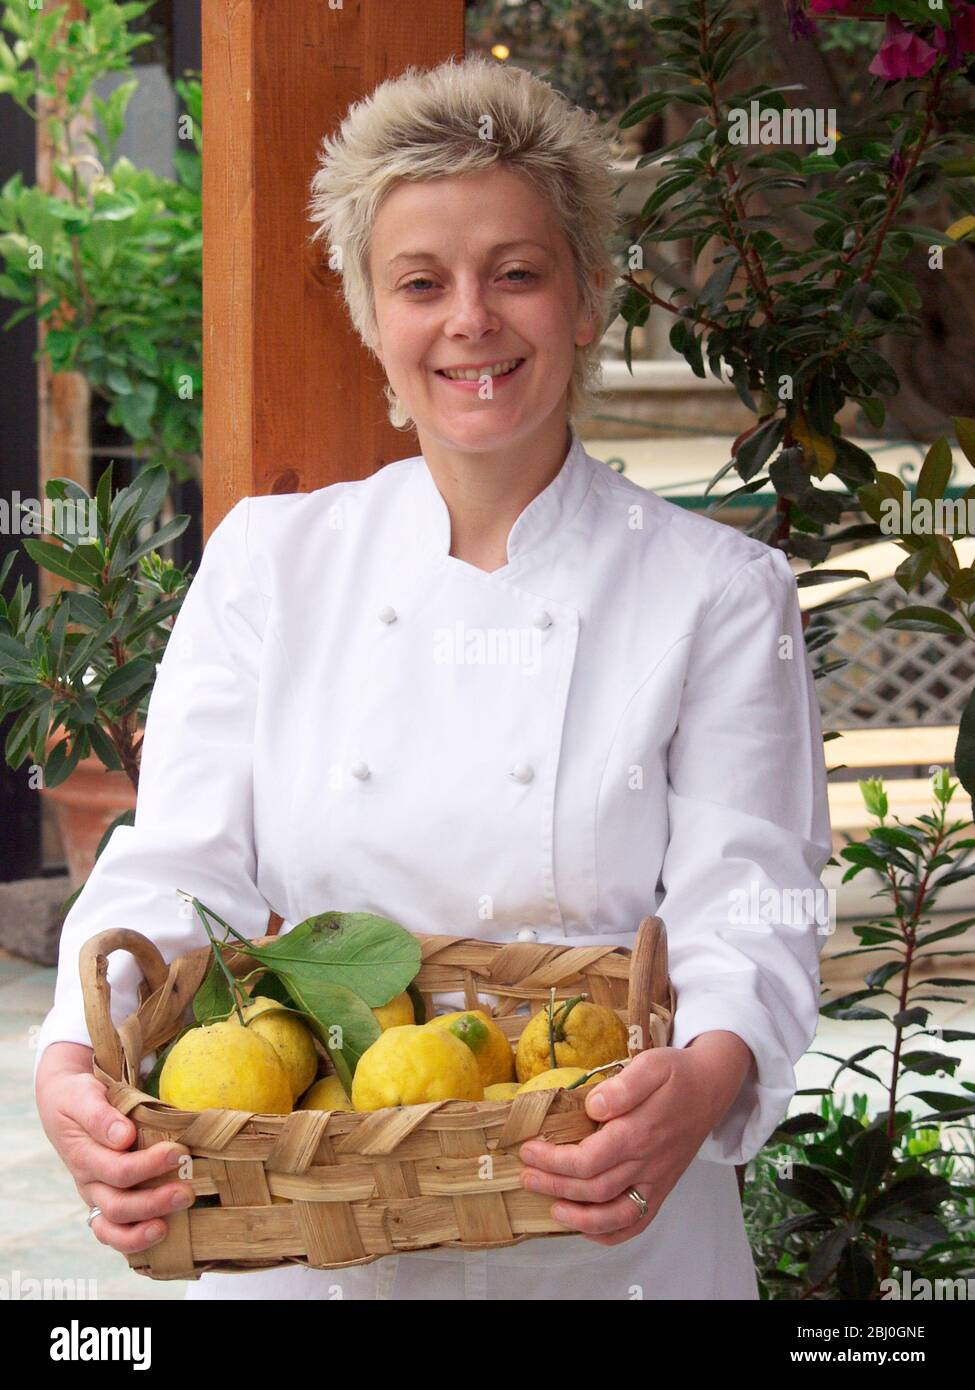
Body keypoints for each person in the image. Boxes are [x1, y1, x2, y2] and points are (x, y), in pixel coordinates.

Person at [34, 54, 833, 1301]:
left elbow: (749, 908)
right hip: (301, 1223)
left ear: (585, 300)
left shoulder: (716, 594)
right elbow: (180, 868)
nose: (470, 318)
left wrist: (710, 1077)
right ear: (368, 314)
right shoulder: (269, 561)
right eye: (421, 282)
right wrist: (79, 1064)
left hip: (606, 1236)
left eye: (516, 272)